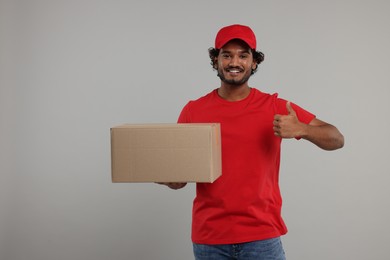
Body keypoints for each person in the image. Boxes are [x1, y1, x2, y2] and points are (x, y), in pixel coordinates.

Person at [159, 24, 344, 260]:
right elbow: (179, 180)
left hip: (262, 237)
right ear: (215, 60)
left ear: (254, 62)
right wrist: (166, 177)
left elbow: (337, 138)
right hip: (210, 239)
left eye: (243, 55)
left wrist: (303, 129)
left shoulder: (274, 107)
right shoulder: (193, 111)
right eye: (226, 55)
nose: (234, 62)